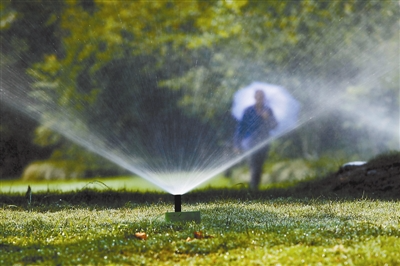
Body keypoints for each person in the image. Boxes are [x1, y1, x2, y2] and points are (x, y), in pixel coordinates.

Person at [234, 89, 278, 190]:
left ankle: (254, 188)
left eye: (262, 97)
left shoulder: (268, 111)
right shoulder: (248, 111)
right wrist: (237, 144)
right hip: (250, 143)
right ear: (254, 97)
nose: (260, 99)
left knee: (259, 166)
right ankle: (254, 189)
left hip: (264, 143)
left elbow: (274, 126)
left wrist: (267, 118)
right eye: (258, 96)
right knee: (254, 165)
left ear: (264, 98)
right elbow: (241, 128)